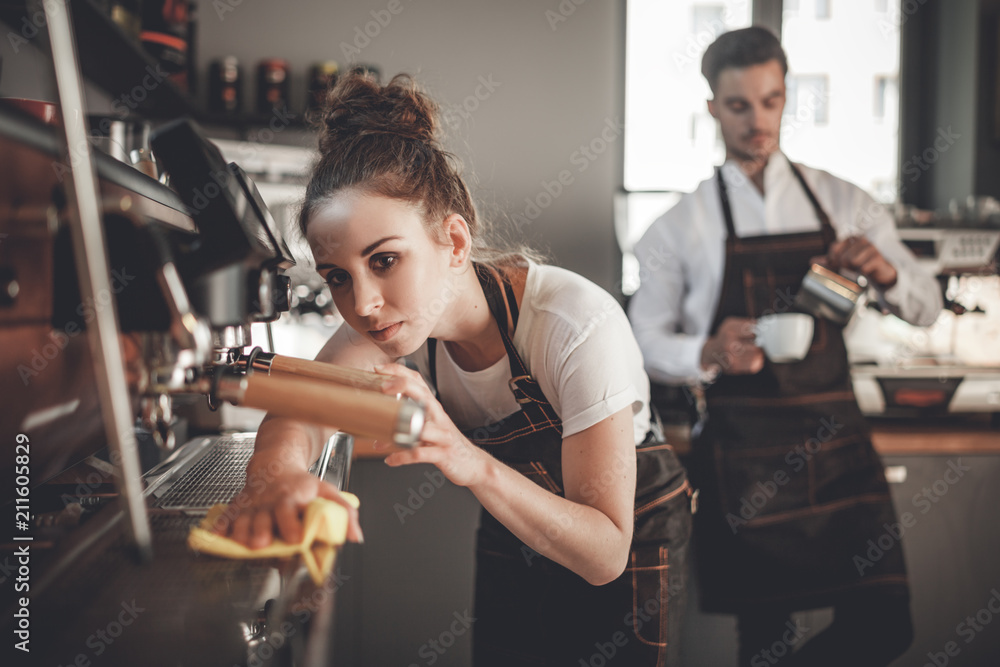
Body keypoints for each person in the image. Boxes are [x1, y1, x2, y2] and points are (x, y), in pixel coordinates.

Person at [218, 72, 692, 666]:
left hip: (626, 535)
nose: (362, 303)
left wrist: (468, 461)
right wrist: (278, 476)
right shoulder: (393, 324)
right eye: (337, 275)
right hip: (514, 526)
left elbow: (604, 554)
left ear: (456, 242)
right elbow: (302, 405)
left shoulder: (573, 326)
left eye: (385, 260)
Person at [628, 26, 941, 667]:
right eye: (739, 105)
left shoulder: (844, 202)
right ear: (712, 106)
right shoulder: (679, 226)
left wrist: (882, 272)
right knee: (765, 644)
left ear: (785, 96)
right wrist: (708, 352)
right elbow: (642, 339)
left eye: (770, 101)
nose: (757, 120)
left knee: (886, 625)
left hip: (839, 442)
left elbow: (926, 308)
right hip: (746, 456)